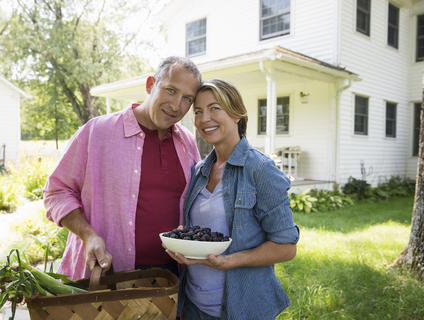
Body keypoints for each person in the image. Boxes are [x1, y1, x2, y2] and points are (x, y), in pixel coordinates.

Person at [43, 56, 202, 281]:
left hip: (172, 276)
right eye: (170, 90)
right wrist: (89, 236)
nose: (176, 106)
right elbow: (56, 192)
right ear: (150, 85)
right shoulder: (97, 132)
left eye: (187, 98)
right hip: (109, 275)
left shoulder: (187, 142)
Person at [166, 78, 300, 320]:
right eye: (198, 111)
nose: (204, 118)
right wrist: (183, 238)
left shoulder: (260, 170)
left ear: (237, 113)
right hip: (193, 304)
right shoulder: (199, 171)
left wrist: (228, 262)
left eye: (214, 108)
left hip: (239, 308)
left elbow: (287, 248)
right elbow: (204, 231)